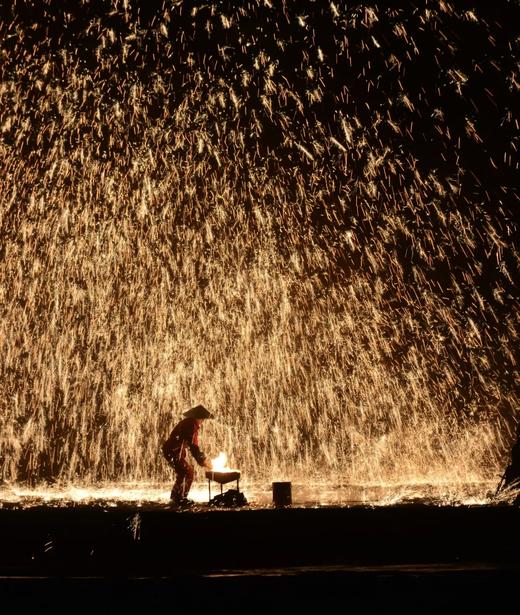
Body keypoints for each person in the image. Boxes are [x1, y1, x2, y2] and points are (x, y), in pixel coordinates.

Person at [162, 404, 213, 507]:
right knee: (187, 472)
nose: (202, 422)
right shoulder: (191, 425)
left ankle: (176, 497)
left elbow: (192, 444)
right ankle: (181, 499)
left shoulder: (188, 423)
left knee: (183, 472)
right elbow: (193, 446)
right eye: (202, 419)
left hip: (171, 450)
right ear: (198, 417)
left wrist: (202, 459)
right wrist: (203, 461)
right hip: (173, 451)